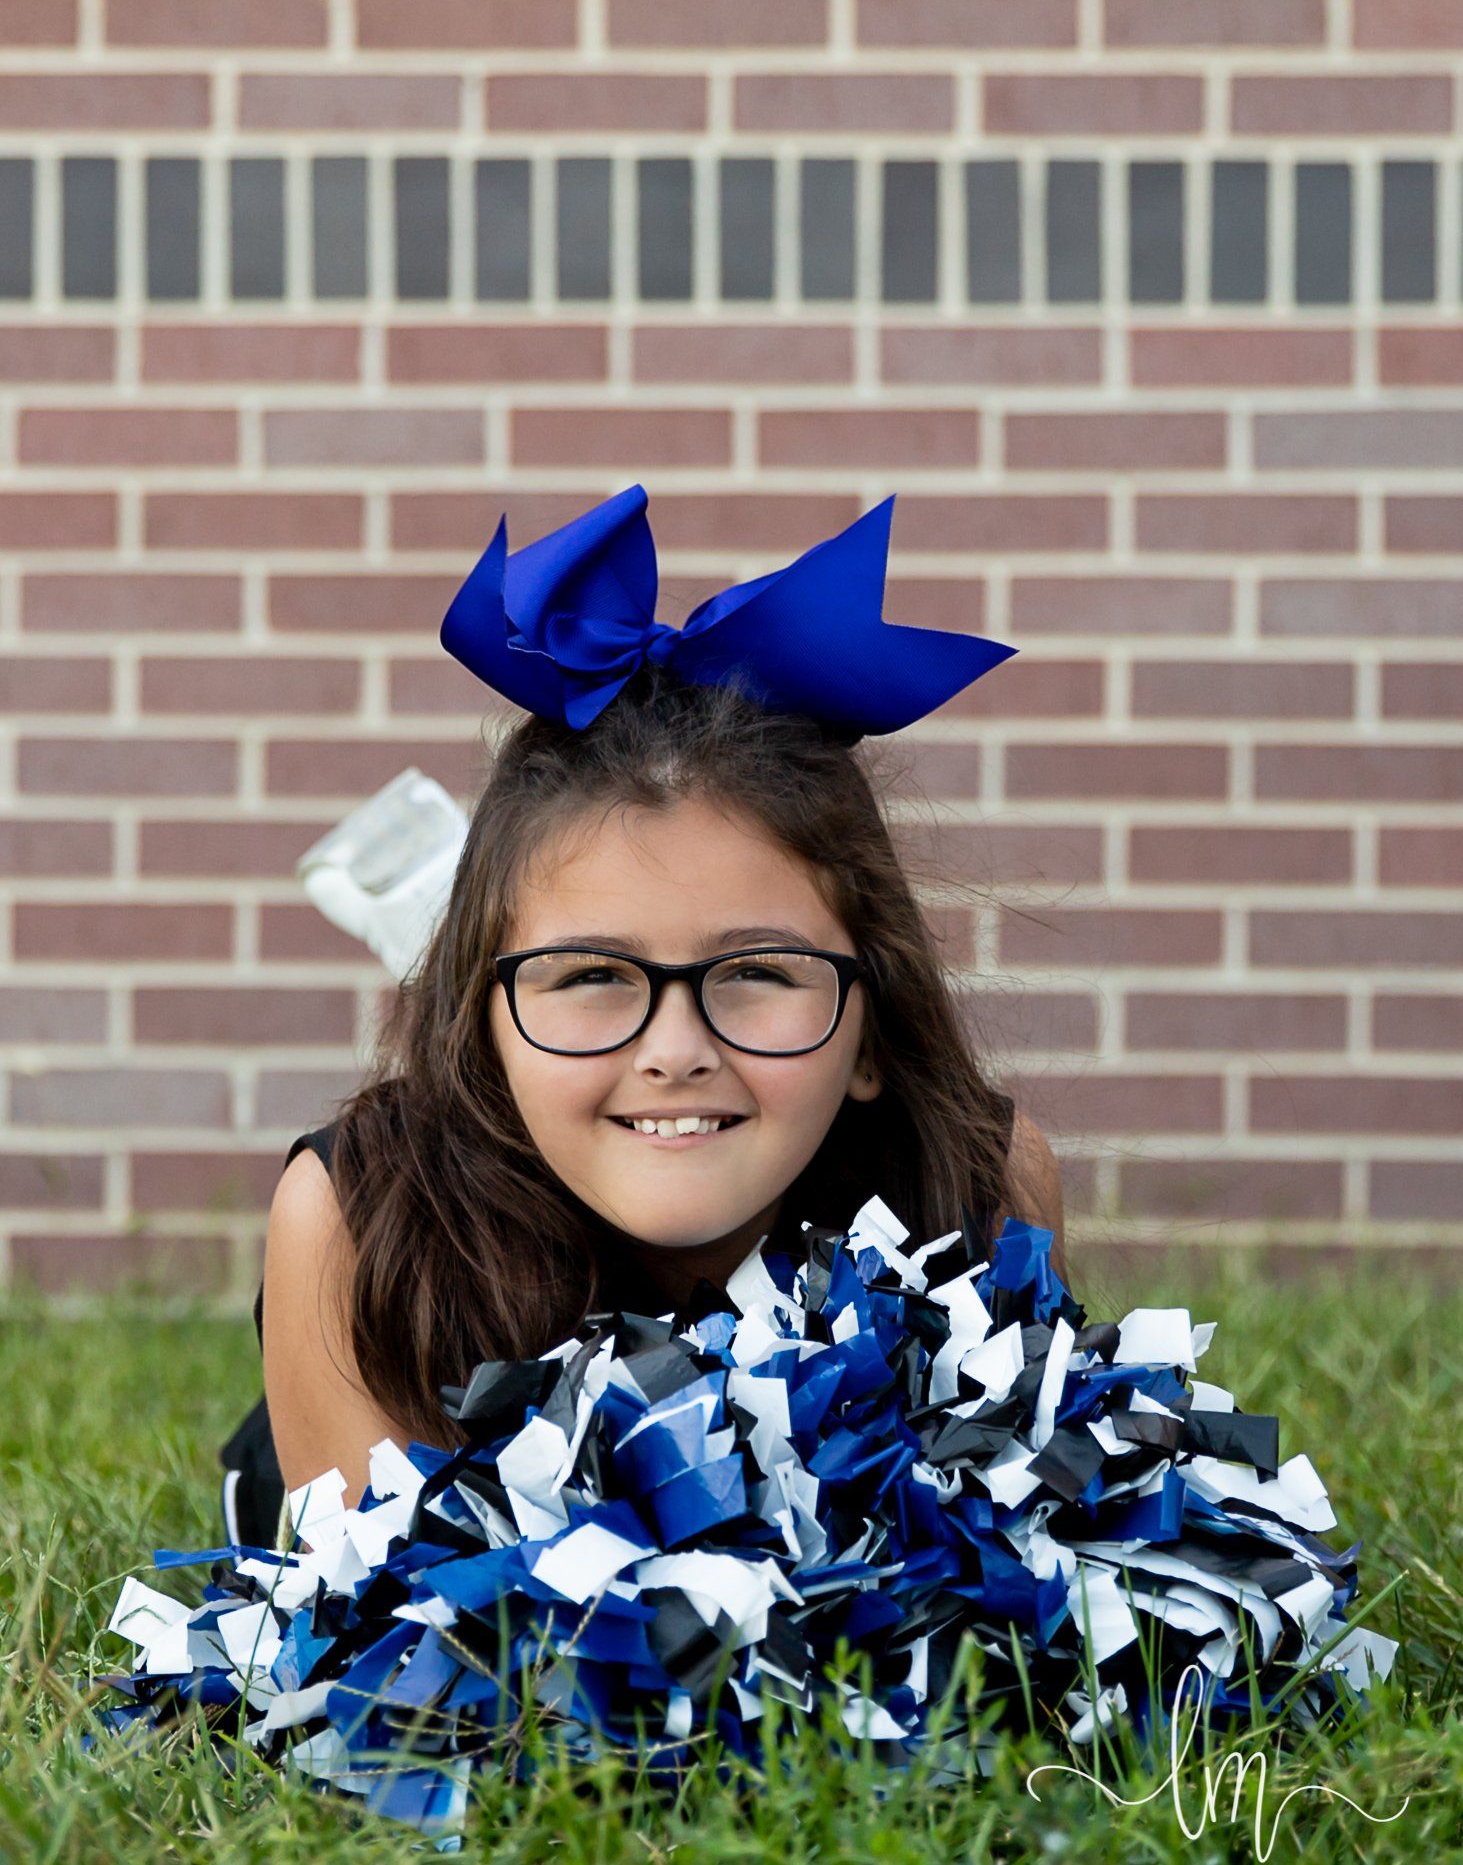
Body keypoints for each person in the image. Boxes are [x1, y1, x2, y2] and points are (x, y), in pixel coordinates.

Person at [219, 485, 1065, 1546]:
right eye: (591, 976)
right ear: (480, 1029)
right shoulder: (357, 1217)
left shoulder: (979, 1184)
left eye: (755, 972)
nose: (675, 1051)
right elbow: (397, 1624)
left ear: (872, 1029)